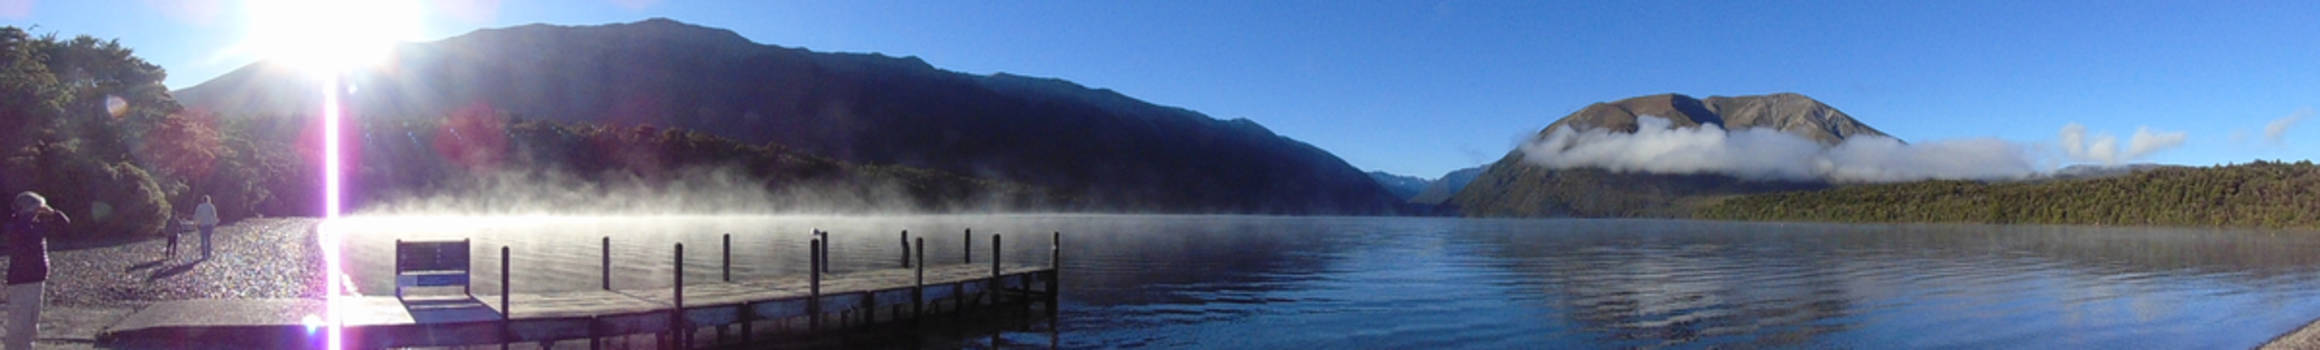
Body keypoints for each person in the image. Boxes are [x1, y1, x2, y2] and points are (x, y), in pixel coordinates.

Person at [6, 191, 68, 350]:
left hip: (36, 278)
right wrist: (37, 210)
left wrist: (52, 212)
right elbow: (28, 233)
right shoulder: (19, 225)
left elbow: (64, 225)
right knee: (19, 324)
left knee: (31, 323)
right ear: (29, 209)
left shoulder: (34, 224)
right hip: (22, 281)